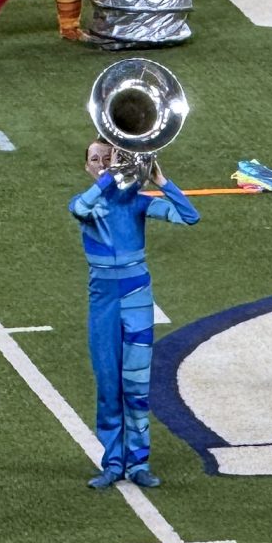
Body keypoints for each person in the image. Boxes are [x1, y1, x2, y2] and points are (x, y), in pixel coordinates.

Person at [69, 142, 198, 489]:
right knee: (108, 383)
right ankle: (113, 462)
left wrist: (160, 179)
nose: (101, 164)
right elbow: (80, 206)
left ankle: (139, 463)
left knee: (137, 386)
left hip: (137, 296)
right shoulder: (86, 202)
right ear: (87, 168)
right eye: (94, 160)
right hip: (103, 301)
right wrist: (109, 180)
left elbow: (189, 215)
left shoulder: (138, 203)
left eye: (108, 158)